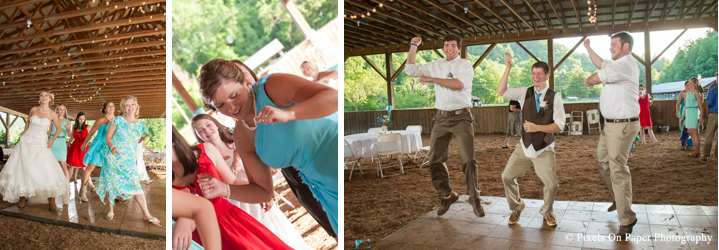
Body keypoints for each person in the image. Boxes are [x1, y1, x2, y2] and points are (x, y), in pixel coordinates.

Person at [194, 58, 339, 235]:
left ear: (244, 82)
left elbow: (334, 97)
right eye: (220, 105)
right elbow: (263, 192)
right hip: (322, 188)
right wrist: (223, 189)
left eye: (234, 95)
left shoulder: (271, 87)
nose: (231, 107)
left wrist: (290, 114)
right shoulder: (242, 136)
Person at [188, 114, 311, 249]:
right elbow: (227, 180)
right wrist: (235, 164)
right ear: (198, 136)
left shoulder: (236, 142)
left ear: (216, 125)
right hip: (234, 199)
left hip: (251, 189)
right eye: (200, 130)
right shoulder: (206, 156)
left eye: (208, 125)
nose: (206, 131)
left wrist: (260, 187)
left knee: (274, 228)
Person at [171, 126, 292, 250]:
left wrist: (259, 193)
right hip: (200, 236)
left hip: (232, 223)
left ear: (172, 139)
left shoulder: (207, 150)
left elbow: (233, 181)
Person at [402, 35, 483, 217]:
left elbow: (459, 85)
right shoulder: (435, 65)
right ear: (443, 48)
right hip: (440, 117)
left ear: (458, 48)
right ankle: (448, 194)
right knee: (434, 159)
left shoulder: (464, 65)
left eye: (453, 45)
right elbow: (409, 69)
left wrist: (432, 79)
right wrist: (414, 46)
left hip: (461, 116)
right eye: (446, 46)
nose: (449, 48)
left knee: (468, 159)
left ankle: (474, 197)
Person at [583, 32, 641, 239]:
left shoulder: (625, 65)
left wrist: (589, 80)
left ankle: (627, 218)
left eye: (614, 44)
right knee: (601, 160)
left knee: (617, 167)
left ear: (625, 46)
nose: (610, 48)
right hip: (609, 126)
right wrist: (588, 47)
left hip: (623, 126)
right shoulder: (616, 65)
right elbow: (600, 64)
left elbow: (596, 77)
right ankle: (619, 197)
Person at [498, 54, 564, 227]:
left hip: (544, 148)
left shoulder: (555, 98)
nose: (536, 76)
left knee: (552, 185)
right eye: (534, 73)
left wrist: (538, 128)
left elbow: (559, 126)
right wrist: (508, 68)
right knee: (507, 176)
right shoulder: (523, 92)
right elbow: (502, 91)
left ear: (547, 75)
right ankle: (517, 206)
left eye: (540, 73)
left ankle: (547, 212)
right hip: (524, 147)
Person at [96, 96, 160, 227]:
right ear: (123, 108)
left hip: (129, 160)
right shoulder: (118, 120)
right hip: (113, 158)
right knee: (110, 183)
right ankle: (110, 210)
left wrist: (141, 141)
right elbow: (108, 137)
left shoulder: (141, 125)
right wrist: (112, 147)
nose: (129, 107)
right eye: (126, 105)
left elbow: (135, 141)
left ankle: (147, 214)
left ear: (136, 106)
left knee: (135, 185)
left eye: (132, 104)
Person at [0, 90, 69, 211]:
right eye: (41, 95)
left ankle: (51, 199)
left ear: (50, 99)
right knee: (23, 166)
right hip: (27, 141)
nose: (43, 97)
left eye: (46, 95)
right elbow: (28, 121)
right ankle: (22, 195)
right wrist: (23, 132)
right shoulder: (33, 110)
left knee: (44, 168)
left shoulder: (53, 113)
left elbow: (58, 129)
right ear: (39, 98)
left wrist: (51, 141)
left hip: (41, 142)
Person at [80, 101, 115, 202]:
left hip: (110, 146)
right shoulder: (101, 120)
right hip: (98, 146)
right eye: (109, 106)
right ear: (105, 109)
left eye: (113, 106)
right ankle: (82, 192)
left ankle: (115, 193)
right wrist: (84, 144)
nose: (111, 108)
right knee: (90, 168)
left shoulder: (117, 120)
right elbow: (91, 133)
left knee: (111, 169)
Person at [682, 77, 706, 158]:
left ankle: (698, 151)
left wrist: (701, 117)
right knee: (691, 132)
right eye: (689, 83)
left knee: (695, 133)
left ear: (695, 84)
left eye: (691, 83)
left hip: (694, 112)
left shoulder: (696, 93)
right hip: (688, 112)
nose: (689, 85)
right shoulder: (688, 93)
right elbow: (686, 104)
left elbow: (701, 106)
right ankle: (695, 150)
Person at [50, 104, 71, 182]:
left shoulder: (67, 121)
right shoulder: (52, 120)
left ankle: (67, 184)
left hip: (61, 142)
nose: (62, 111)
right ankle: (52, 182)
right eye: (60, 109)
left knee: (63, 164)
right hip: (52, 142)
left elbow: (69, 135)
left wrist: (69, 129)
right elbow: (49, 132)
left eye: (63, 109)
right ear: (57, 111)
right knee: (51, 164)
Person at [67, 112, 89, 182]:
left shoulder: (87, 127)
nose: (82, 121)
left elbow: (88, 138)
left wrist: (85, 145)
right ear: (77, 119)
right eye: (80, 119)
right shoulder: (74, 126)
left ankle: (89, 184)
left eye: (83, 119)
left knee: (84, 166)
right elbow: (72, 136)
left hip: (83, 147)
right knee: (71, 165)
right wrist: (68, 144)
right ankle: (67, 182)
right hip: (75, 147)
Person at [702, 70, 718, 161]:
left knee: (709, 135)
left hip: (714, 114)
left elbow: (709, 103)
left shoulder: (713, 89)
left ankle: (705, 155)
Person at [676, 81, 694, 150]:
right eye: (687, 85)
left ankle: (690, 143)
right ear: (685, 85)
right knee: (684, 127)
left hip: (690, 111)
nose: (688, 86)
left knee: (691, 127)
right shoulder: (682, 93)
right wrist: (677, 111)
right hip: (683, 110)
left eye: (689, 85)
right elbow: (678, 103)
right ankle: (684, 144)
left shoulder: (692, 92)